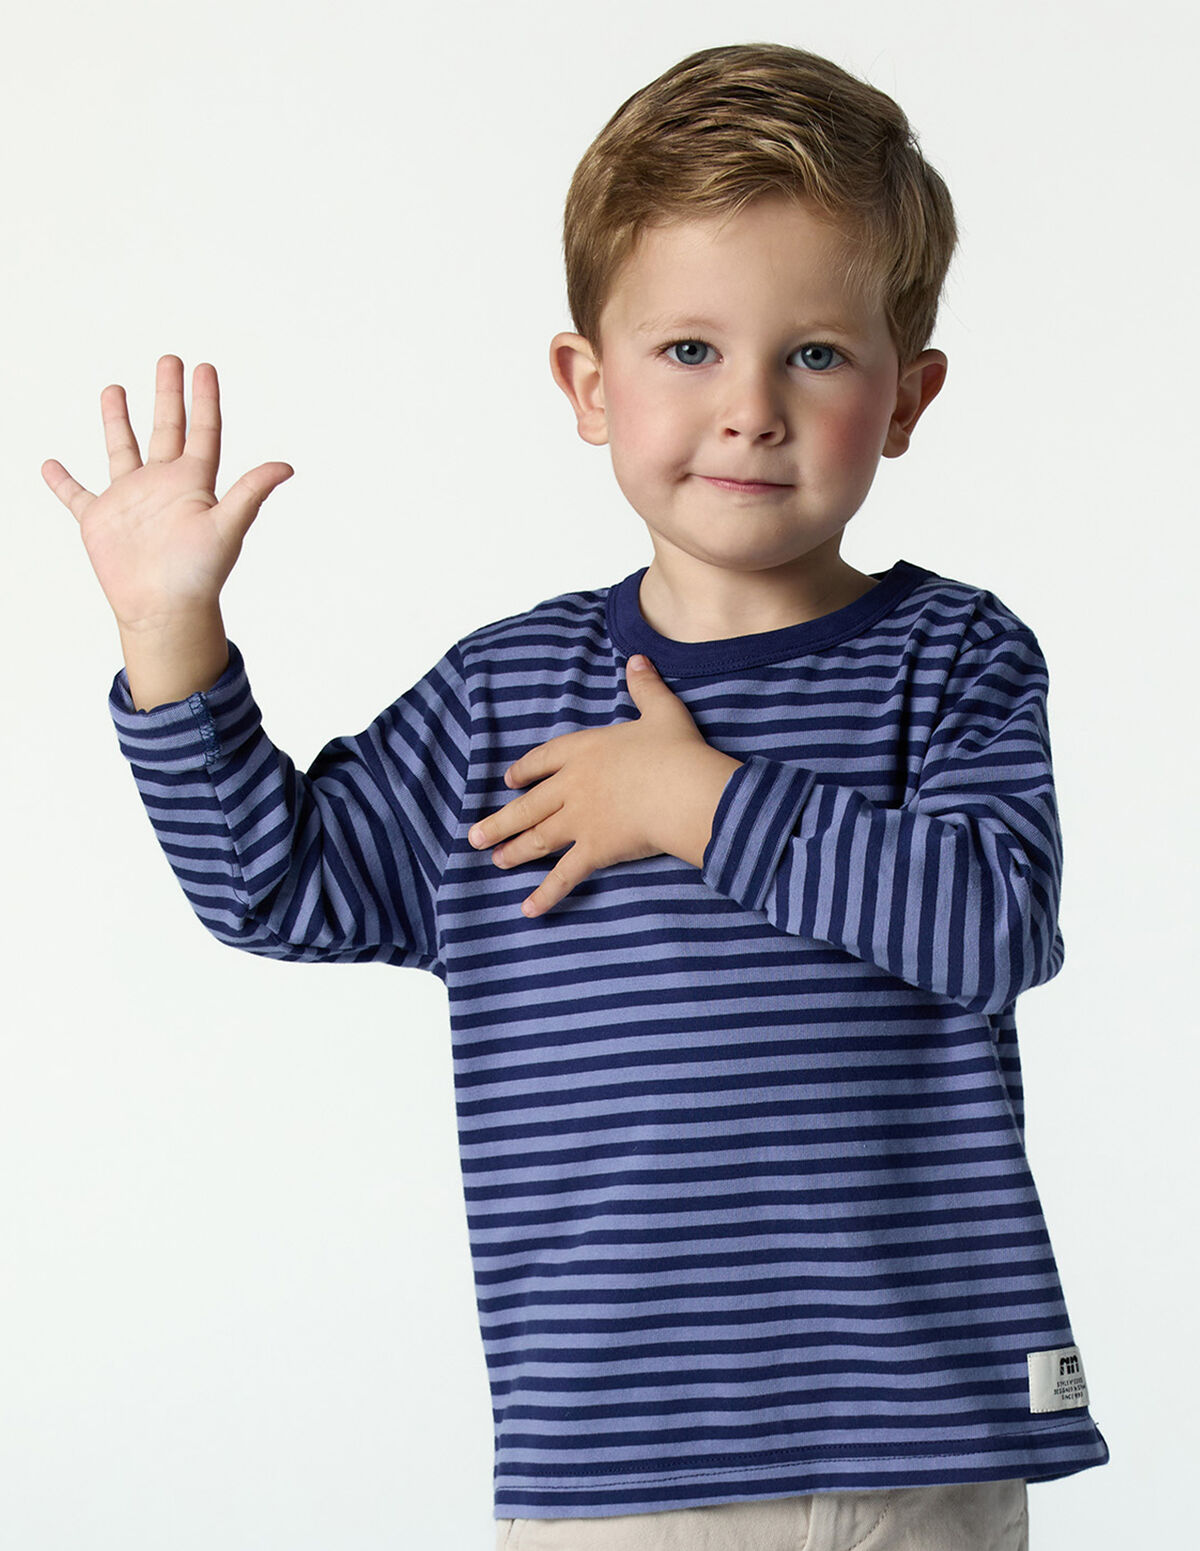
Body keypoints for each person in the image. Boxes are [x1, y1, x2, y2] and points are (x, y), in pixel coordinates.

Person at [43, 40, 1108, 1551]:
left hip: (913, 1440)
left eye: (814, 353)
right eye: (689, 351)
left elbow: (995, 926)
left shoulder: (954, 657)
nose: (749, 408)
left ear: (909, 395)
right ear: (586, 383)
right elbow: (274, 885)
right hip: (621, 1458)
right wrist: (169, 638)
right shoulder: (505, 695)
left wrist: (696, 801)